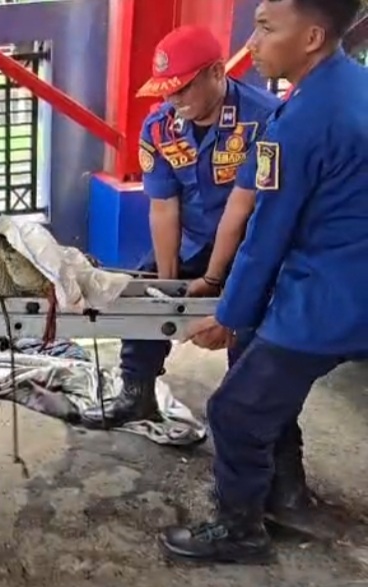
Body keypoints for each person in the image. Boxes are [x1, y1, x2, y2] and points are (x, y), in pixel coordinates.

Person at [165, 0, 367, 564]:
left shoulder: (300, 122)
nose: (250, 44)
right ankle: (287, 496)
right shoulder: (353, 86)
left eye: (265, 28)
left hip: (330, 294)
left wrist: (230, 314)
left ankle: (240, 532)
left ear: (312, 37)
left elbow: (266, 230)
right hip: (348, 279)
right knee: (266, 384)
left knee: (235, 411)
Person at [79, 25, 281, 433]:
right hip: (191, 241)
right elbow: (163, 207)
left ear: (217, 72)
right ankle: (137, 394)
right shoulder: (159, 127)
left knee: (253, 333)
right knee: (141, 297)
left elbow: (243, 208)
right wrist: (168, 286)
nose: (173, 99)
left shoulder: (265, 119)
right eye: (166, 90)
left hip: (253, 248)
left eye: (183, 88)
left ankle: (264, 431)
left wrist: (215, 280)